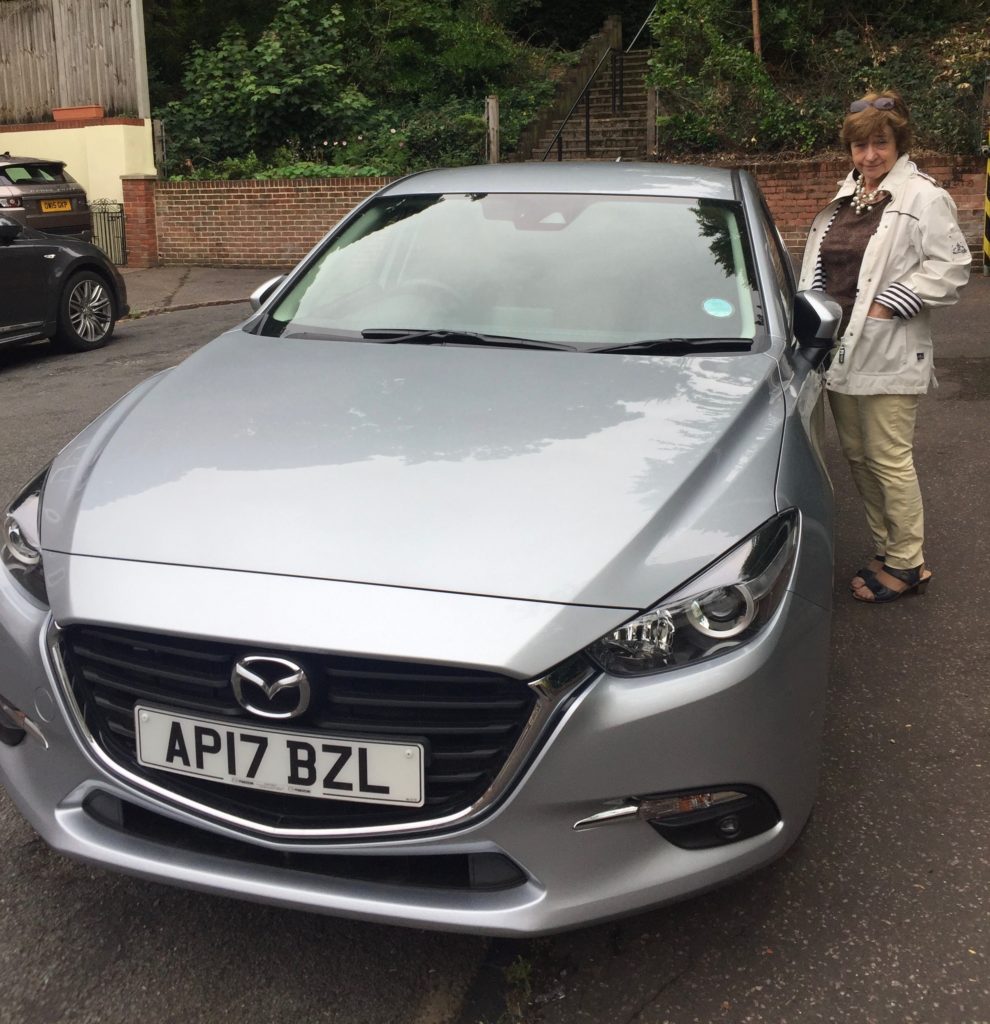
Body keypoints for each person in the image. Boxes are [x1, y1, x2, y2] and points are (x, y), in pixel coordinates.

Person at [798, 89, 971, 603]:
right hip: (840, 350)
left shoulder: (923, 197)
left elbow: (953, 267)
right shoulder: (847, 195)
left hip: (889, 349)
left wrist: (893, 301)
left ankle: (908, 562)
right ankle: (887, 547)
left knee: (889, 458)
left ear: (898, 142)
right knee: (857, 457)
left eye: (879, 143)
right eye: (859, 146)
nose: (869, 155)